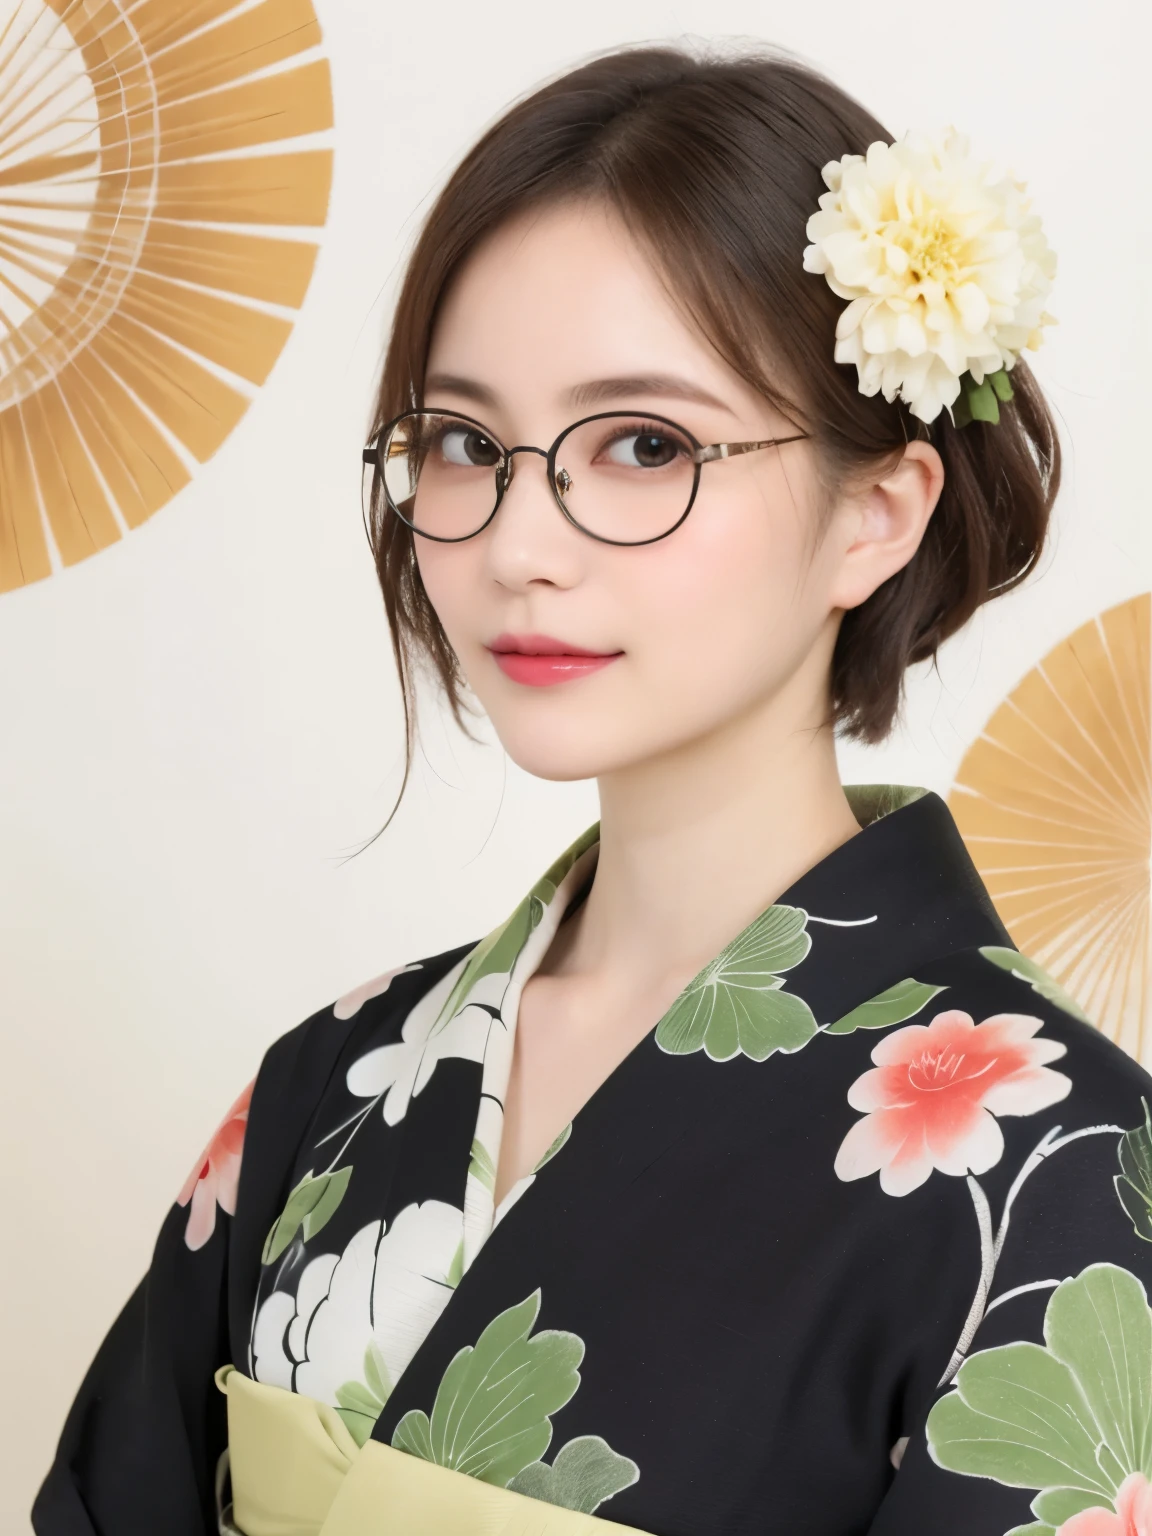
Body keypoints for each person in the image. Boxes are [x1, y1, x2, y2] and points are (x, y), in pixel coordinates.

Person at [34, 40, 1152, 1536]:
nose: (517, 543)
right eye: (464, 443)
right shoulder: (335, 1080)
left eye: (642, 445)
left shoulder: (1065, 1167)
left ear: (875, 513)